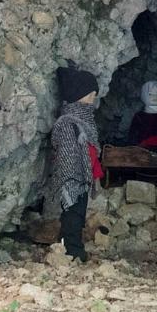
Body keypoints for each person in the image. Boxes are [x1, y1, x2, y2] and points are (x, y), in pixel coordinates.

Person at [49, 65, 104, 262]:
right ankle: (71, 250)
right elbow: (66, 155)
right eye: (89, 95)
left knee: (78, 215)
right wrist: (71, 179)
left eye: (94, 96)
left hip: (82, 179)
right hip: (73, 179)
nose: (92, 99)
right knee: (72, 215)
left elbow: (89, 151)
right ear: (78, 95)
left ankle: (73, 247)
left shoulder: (85, 122)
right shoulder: (67, 123)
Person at [127, 80, 157, 156]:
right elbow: (132, 138)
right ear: (144, 95)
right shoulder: (139, 116)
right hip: (144, 153)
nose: (155, 97)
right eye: (150, 94)